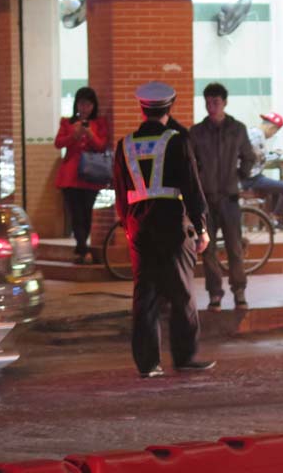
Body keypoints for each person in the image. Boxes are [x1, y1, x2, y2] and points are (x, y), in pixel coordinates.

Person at [113, 81, 214, 379]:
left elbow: (120, 192)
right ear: (169, 108)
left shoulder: (124, 144)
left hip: (138, 225)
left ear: (142, 109)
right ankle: (184, 357)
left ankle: (148, 364)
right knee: (181, 292)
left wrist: (127, 225)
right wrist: (201, 227)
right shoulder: (177, 141)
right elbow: (192, 187)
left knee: (145, 295)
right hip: (170, 223)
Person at [190, 82, 256, 312]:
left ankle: (239, 291)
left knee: (234, 247)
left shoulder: (237, 129)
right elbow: (190, 161)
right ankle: (215, 293)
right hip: (206, 199)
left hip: (229, 197)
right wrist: (198, 179)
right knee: (207, 249)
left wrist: (240, 175)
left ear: (225, 103)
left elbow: (248, 156)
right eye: (207, 103)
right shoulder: (197, 132)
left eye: (215, 102)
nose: (211, 107)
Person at [54, 87, 109, 264]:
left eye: (88, 104)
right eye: (82, 104)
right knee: (76, 213)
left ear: (94, 106)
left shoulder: (99, 123)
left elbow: (101, 146)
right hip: (70, 176)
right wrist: (75, 134)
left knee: (86, 213)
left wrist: (90, 133)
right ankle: (83, 249)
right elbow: (58, 143)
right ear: (76, 104)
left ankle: (81, 249)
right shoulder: (67, 122)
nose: (85, 108)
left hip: (91, 176)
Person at [242, 112, 283, 230]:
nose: (273, 135)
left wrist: (273, 154)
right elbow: (255, 156)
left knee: (277, 187)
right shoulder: (257, 136)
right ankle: (274, 219)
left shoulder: (253, 132)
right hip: (250, 179)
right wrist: (274, 155)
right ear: (272, 128)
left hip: (250, 176)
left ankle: (270, 221)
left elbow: (258, 156)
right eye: (275, 132)